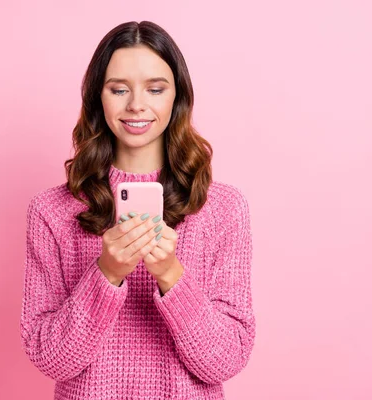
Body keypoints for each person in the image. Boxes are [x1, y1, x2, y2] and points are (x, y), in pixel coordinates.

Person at [20, 20, 255, 400]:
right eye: (118, 89)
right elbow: (50, 358)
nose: (136, 105)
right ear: (98, 97)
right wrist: (107, 274)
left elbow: (226, 360)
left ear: (177, 98)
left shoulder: (223, 209)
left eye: (155, 89)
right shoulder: (52, 211)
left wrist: (171, 275)